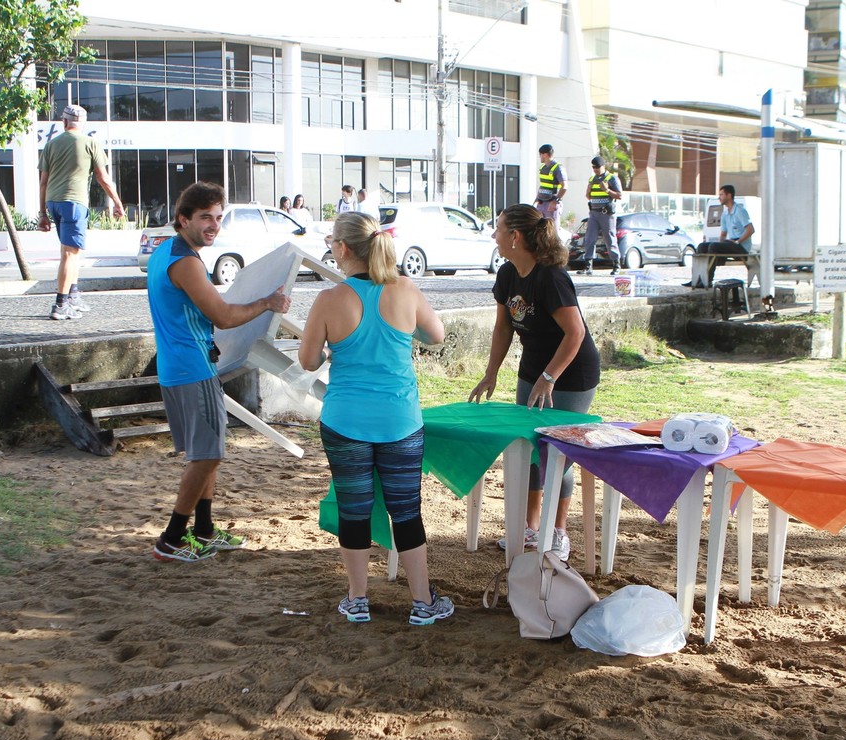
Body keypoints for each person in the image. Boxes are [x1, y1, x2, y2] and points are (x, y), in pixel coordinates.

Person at [298, 211, 454, 626]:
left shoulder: (329, 300)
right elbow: (436, 335)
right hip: (400, 421)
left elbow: (308, 360)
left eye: (332, 240)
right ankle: (422, 601)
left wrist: (336, 347)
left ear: (344, 249)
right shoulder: (405, 289)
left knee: (355, 509)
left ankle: (358, 598)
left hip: (345, 421)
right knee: (407, 510)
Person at [146, 181, 292, 563]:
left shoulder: (165, 252)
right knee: (207, 456)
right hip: (191, 368)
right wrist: (267, 302)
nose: (213, 225)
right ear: (183, 219)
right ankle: (171, 538)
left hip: (179, 366)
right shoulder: (185, 261)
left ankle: (205, 529)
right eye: (205, 218)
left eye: (218, 217)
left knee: (206, 452)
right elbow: (224, 316)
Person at [468, 204, 600, 562]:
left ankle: (557, 533)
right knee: (528, 451)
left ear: (516, 236)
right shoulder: (508, 274)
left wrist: (550, 377)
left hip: (572, 373)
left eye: (498, 229)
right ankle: (529, 527)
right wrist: (492, 372)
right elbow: (503, 328)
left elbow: (576, 333)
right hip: (533, 371)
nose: (494, 235)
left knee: (558, 454)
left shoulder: (551, 278)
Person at [37, 104, 125, 321]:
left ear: (64, 122)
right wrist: (117, 202)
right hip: (74, 203)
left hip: (53, 202)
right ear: (83, 124)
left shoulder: (51, 144)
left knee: (69, 252)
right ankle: (60, 304)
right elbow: (103, 178)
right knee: (70, 253)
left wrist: (42, 214)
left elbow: (43, 183)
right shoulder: (90, 143)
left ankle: (73, 295)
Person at [689, 184, 754, 289]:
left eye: (721, 195)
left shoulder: (740, 211)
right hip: (730, 243)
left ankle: (708, 280)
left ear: (729, 195)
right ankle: (697, 279)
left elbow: (751, 230)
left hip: (741, 245)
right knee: (702, 246)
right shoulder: (725, 213)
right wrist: (719, 246)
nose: (719, 197)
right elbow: (723, 234)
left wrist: (738, 241)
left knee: (713, 247)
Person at [581, 156, 623, 276]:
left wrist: (607, 190)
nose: (595, 169)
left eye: (597, 167)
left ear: (603, 166)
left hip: (606, 213)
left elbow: (619, 195)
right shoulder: (592, 179)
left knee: (610, 238)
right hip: (594, 212)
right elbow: (589, 197)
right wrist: (588, 191)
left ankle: (616, 265)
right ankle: (588, 266)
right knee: (589, 238)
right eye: (593, 167)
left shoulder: (612, 178)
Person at [533, 144, 566, 227]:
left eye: (540, 154)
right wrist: (536, 199)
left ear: (545, 154)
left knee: (552, 232)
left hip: (551, 204)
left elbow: (564, 186)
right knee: (539, 230)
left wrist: (555, 201)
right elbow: (542, 186)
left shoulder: (558, 168)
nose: (539, 157)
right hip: (541, 204)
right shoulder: (542, 168)